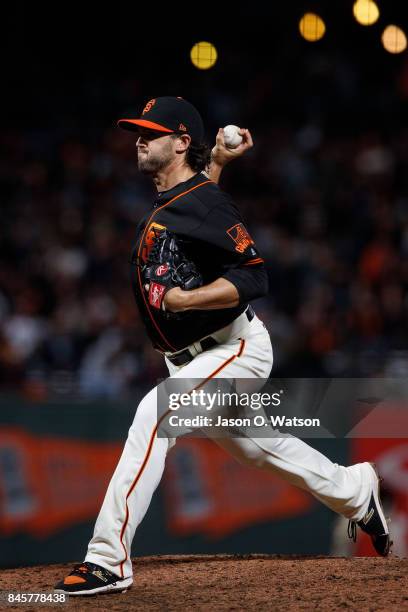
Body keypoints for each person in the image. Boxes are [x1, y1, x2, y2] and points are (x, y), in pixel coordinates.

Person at [54, 97, 390, 596]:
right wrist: (216, 164)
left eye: (152, 132)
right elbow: (199, 205)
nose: (140, 139)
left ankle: (108, 559)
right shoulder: (185, 194)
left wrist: (187, 298)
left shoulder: (203, 201)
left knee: (154, 416)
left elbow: (254, 277)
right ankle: (355, 490)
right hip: (193, 357)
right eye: (138, 132)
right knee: (259, 446)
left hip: (234, 347)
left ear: (182, 141)